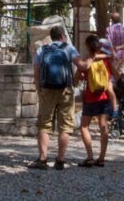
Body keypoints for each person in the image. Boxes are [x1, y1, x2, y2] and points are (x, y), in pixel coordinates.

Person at [28, 25, 83, 170]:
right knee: (65, 126)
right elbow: (81, 65)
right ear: (63, 36)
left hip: (47, 90)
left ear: (51, 37)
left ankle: (42, 159)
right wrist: (75, 80)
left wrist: (39, 90)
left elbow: (36, 73)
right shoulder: (69, 48)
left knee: (44, 125)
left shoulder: (41, 50)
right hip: (66, 90)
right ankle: (60, 160)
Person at [77, 34, 116, 168]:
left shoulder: (87, 61)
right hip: (105, 98)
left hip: (91, 98)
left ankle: (90, 157)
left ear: (88, 46)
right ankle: (102, 158)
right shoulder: (106, 61)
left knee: (84, 127)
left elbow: (76, 79)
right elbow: (115, 75)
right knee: (104, 126)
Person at [104, 12, 124, 79]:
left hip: (113, 57)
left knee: (113, 78)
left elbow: (109, 43)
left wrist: (114, 52)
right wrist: (120, 47)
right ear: (120, 19)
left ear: (111, 20)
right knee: (123, 78)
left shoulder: (108, 29)